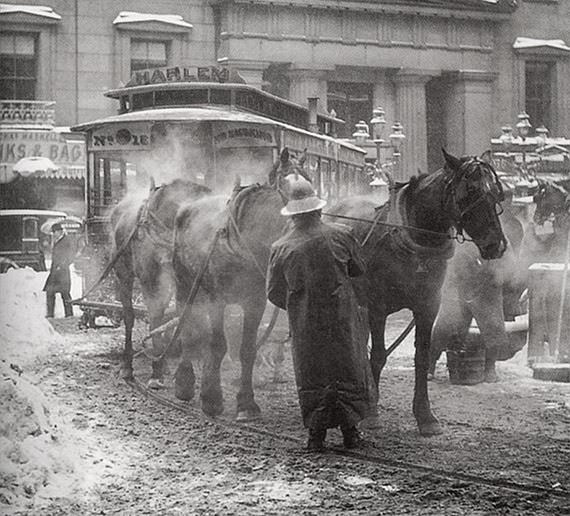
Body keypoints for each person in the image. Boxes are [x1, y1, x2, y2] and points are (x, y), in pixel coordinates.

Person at [266, 176, 376, 452]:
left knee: (313, 374)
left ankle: (316, 437)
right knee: (347, 370)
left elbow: (274, 292)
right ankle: (351, 433)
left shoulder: (281, 247)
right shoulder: (342, 234)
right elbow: (359, 269)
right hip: (342, 319)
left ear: (293, 215)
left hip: (306, 324)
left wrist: (298, 304)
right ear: (317, 210)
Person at [43, 222, 75, 318]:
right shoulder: (57, 241)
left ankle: (69, 314)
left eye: (55, 232)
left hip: (63, 272)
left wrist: (63, 265)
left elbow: (71, 256)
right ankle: (50, 314)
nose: (54, 234)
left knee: (65, 293)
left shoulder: (67, 241)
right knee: (50, 292)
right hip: (54, 272)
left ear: (59, 231)